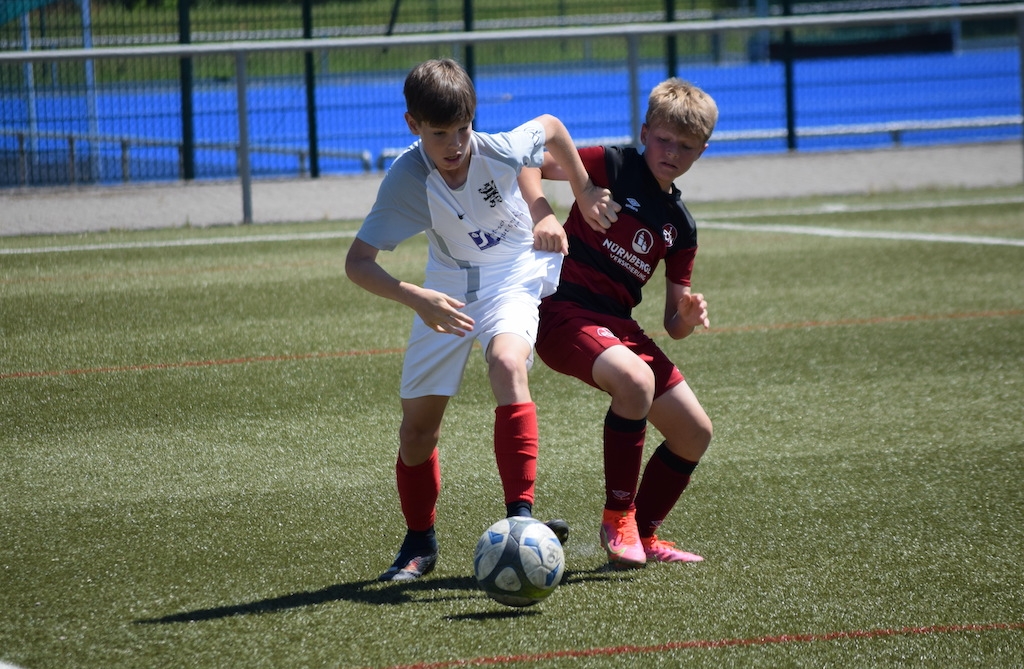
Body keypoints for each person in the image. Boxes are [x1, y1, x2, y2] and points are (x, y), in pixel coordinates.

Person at [345, 58, 617, 582]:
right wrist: (416, 298)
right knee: (417, 431)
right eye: (438, 133)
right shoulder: (407, 179)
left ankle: (521, 519)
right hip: (444, 289)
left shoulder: (499, 149)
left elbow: (552, 127)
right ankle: (419, 542)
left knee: (507, 363)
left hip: (513, 273)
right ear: (412, 125)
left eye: (462, 130)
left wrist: (582, 190)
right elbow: (358, 263)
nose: (454, 145)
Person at [522, 78, 718, 569]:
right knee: (635, 381)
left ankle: (645, 534)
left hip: (617, 324)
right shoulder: (613, 165)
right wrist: (549, 211)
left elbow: (673, 322)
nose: (672, 152)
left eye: (686, 146)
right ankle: (618, 517)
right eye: (664, 139)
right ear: (645, 132)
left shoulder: (681, 226)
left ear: (702, 151)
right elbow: (525, 161)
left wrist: (686, 317)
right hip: (562, 311)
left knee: (695, 431)